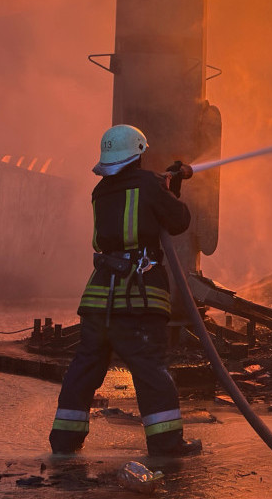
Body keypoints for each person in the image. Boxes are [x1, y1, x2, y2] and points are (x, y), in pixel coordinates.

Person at [49, 124, 202, 457]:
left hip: (98, 297)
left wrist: (163, 188)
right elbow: (179, 221)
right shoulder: (149, 184)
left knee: (84, 369)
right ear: (139, 153)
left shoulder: (99, 191)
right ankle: (166, 444)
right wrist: (170, 191)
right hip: (137, 297)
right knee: (149, 370)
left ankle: (64, 442)